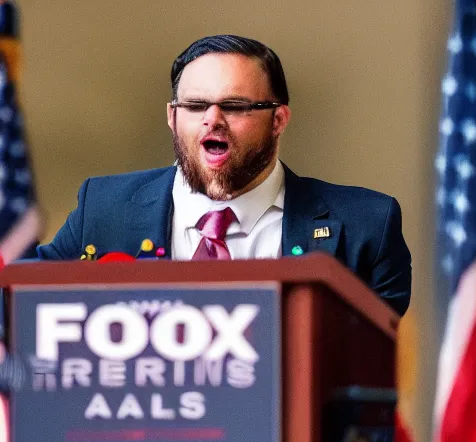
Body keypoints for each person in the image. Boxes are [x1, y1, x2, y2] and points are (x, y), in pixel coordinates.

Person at [36, 35, 411, 316]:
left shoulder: (367, 226)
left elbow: (370, 372)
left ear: (278, 120)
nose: (211, 119)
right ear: (172, 117)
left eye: (233, 106)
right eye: (196, 105)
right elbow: (22, 306)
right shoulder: (104, 209)